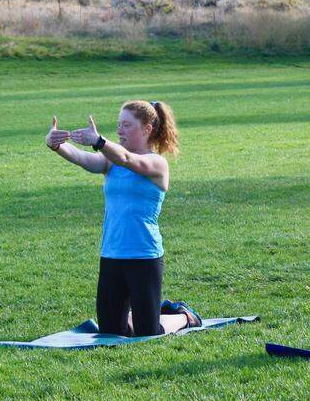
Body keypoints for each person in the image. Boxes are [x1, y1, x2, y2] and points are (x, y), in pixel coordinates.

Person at [45, 100, 201, 337]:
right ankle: (139, 312)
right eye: (119, 124)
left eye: (126, 125)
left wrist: (99, 141)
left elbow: (128, 160)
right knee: (112, 333)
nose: (119, 130)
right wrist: (56, 145)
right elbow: (82, 158)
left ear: (147, 129)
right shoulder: (110, 161)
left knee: (148, 333)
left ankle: (182, 316)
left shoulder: (157, 163)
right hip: (112, 254)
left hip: (144, 256)